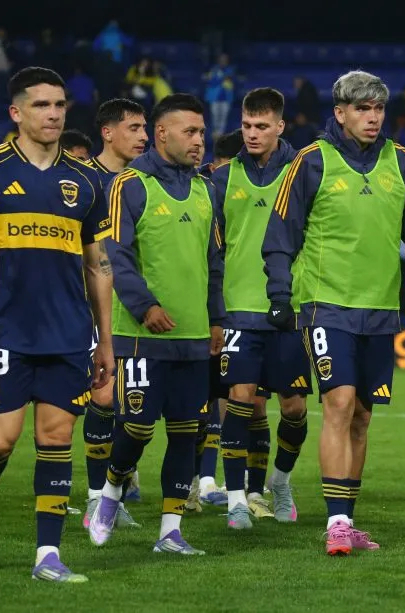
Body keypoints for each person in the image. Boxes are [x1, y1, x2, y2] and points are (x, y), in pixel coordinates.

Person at [264, 70, 405, 555]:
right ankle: (337, 523)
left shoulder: (402, 163)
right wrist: (280, 293)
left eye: (378, 109)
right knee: (339, 404)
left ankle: (348, 517)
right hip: (326, 304)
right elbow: (280, 233)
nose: (372, 117)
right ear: (340, 112)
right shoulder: (311, 161)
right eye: (362, 109)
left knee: (363, 415)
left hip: (381, 308)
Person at [0, 67, 114, 582]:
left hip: (67, 334)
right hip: (5, 331)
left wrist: (104, 340)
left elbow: (98, 265)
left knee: (56, 438)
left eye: (60, 104)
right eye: (42, 105)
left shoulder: (87, 181)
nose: (54, 114)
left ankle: (47, 555)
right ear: (16, 113)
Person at [87, 93, 225, 556]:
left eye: (202, 133)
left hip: (192, 336)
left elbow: (214, 262)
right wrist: (145, 305)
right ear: (161, 133)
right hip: (141, 335)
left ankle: (170, 531)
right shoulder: (130, 184)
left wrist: (217, 320)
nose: (199, 141)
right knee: (138, 427)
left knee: (188, 433)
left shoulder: (207, 190)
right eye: (190, 132)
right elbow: (115, 256)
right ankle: (108, 494)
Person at [210, 87, 312, 528]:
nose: (252, 134)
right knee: (241, 401)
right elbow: (211, 250)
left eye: (261, 126)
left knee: (294, 408)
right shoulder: (220, 179)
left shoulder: (305, 170)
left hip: (291, 308)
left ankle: (280, 482)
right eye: (247, 126)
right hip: (238, 309)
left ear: (280, 127)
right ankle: (236, 497)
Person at [81, 97, 148, 528]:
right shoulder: (85, 180)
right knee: (104, 394)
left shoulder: (147, 181)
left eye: (145, 128)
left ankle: (113, 489)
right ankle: (95, 499)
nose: (144, 136)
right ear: (108, 132)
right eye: (134, 128)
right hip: (92, 303)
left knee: (133, 404)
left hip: (137, 305)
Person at [191, 126, 245, 512]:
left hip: (234, 306)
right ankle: (195, 478)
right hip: (201, 305)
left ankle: (209, 478)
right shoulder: (204, 195)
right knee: (204, 395)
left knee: (225, 394)